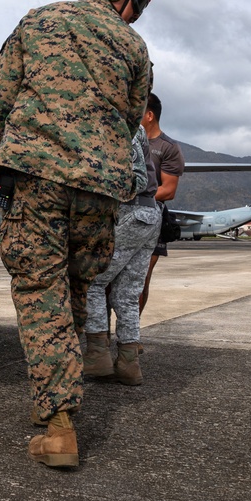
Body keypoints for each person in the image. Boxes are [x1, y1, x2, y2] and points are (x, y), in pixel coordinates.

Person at [0, 0, 153, 467]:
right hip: (100, 187)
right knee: (78, 287)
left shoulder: (38, 20)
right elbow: (129, 120)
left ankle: (58, 424)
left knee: (41, 291)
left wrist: (16, 153)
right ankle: (61, 394)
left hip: (37, 177)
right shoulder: (133, 46)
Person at [83, 125, 160, 385]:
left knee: (93, 282)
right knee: (127, 294)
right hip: (149, 214)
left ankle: (97, 355)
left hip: (130, 211)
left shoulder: (121, 124)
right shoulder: (131, 125)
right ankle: (129, 364)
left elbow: (135, 179)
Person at [140, 92, 185, 314]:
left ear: (149, 115)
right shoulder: (122, 143)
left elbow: (168, 190)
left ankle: (130, 334)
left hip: (151, 221)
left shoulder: (167, 147)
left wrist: (135, 197)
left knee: (141, 279)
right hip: (120, 218)